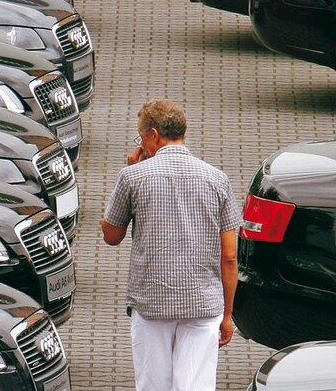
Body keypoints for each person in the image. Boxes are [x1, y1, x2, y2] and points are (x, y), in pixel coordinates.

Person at [101, 100, 243, 391]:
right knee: (195, 385)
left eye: (141, 138)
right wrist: (227, 315)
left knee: (153, 385)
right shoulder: (217, 179)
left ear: (153, 135)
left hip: (152, 302)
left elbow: (111, 235)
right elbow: (229, 256)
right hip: (203, 304)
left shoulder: (133, 177)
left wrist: (129, 171)